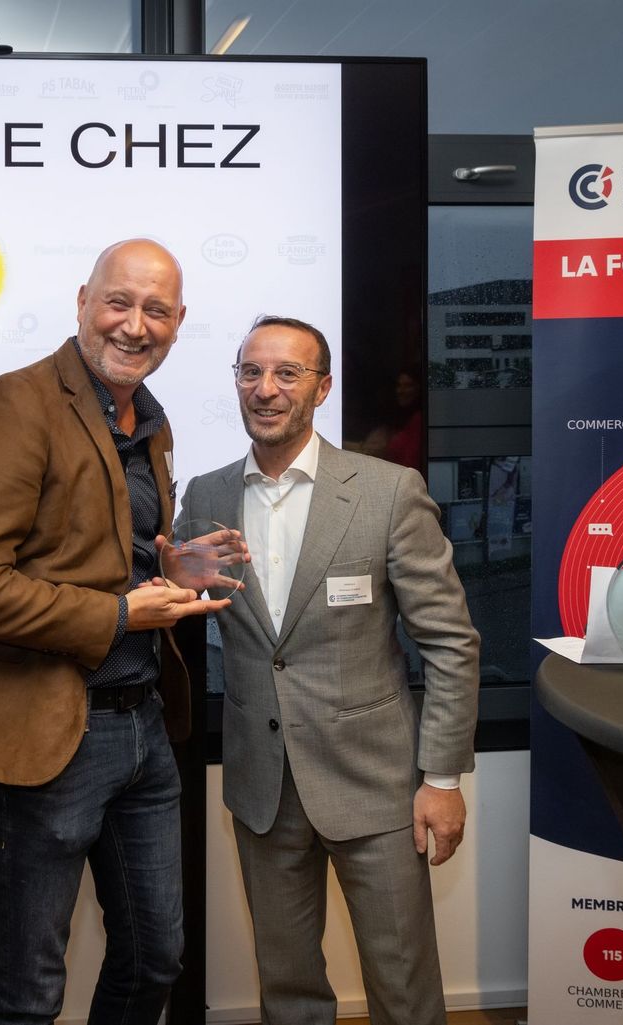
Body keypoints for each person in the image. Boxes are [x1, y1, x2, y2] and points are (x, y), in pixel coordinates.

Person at [0, 239, 228, 1025]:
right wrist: (119, 613)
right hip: (44, 734)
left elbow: (95, 547)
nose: (135, 325)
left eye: (156, 310)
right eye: (118, 302)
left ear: (179, 320)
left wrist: (170, 565)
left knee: (156, 958)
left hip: (144, 725)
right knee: (32, 992)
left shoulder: (149, 419)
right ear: (83, 301)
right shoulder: (17, 402)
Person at [178, 315, 480, 1025]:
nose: (266, 388)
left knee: (403, 987)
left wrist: (441, 779)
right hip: (262, 787)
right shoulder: (205, 498)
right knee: (288, 991)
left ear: (322, 387)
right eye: (251, 371)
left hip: (376, 787)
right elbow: (192, 612)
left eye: (288, 373)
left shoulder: (387, 491)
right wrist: (172, 581)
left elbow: (450, 642)